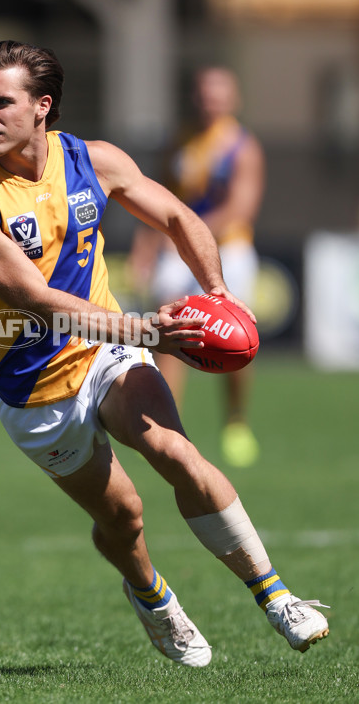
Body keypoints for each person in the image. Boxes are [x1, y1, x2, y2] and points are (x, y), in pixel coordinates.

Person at [0, 41, 329, 667]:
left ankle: (276, 594)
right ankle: (153, 598)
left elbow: (179, 216)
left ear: (43, 107)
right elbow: (39, 302)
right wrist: (149, 330)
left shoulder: (94, 160)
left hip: (104, 354)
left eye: (1, 102)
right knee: (124, 517)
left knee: (177, 452)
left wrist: (218, 292)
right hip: (34, 390)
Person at [128, 66, 264, 467]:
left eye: (219, 94)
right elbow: (160, 199)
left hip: (231, 252)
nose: (211, 101)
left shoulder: (243, 146)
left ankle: (236, 421)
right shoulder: (181, 141)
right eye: (205, 93)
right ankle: (170, 428)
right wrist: (147, 245)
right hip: (176, 252)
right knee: (170, 335)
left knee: (240, 343)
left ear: (233, 100)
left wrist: (192, 235)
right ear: (195, 97)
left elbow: (242, 207)